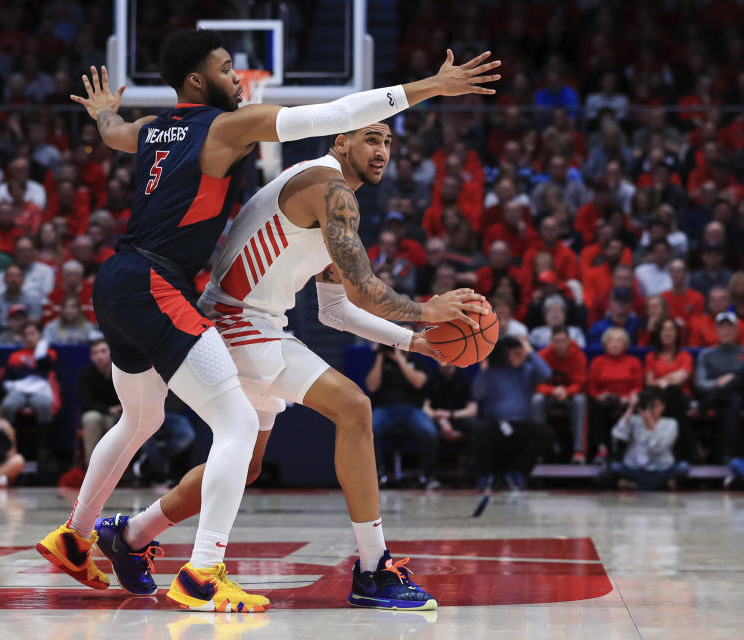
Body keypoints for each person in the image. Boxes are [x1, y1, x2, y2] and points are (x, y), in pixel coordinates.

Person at [38, 30, 499, 614]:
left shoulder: (168, 132)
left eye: (388, 142)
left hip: (168, 293)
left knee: (205, 444)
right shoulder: (319, 183)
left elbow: (334, 309)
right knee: (348, 409)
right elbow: (362, 277)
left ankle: (121, 536)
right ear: (343, 140)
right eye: (371, 137)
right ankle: (367, 569)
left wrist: (415, 341)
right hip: (226, 316)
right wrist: (430, 87)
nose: (382, 150)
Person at [471, 336, 554, 490]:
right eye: (516, 353)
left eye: (521, 353)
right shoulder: (493, 370)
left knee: (544, 432)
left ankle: (519, 474)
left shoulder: (528, 371)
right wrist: (483, 371)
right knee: (479, 429)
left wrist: (529, 352)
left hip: (520, 424)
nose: (520, 356)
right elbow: (477, 394)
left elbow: (546, 374)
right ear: (507, 354)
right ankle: (483, 476)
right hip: (495, 424)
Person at [366, 343, 440, 488]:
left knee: (430, 432)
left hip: (412, 410)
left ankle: (427, 476)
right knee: (368, 432)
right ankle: (377, 475)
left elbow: (419, 383)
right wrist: (380, 355)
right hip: (385, 409)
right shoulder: (382, 361)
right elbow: (372, 386)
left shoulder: (418, 361)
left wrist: (400, 358)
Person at [694, 311, 744, 462]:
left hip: (742, 399)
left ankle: (728, 455)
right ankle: (730, 454)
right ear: (716, 330)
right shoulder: (707, 354)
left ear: (736, 330)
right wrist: (718, 382)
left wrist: (733, 378)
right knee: (733, 398)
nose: (725, 331)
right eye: (722, 327)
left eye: (729, 327)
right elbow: (700, 383)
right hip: (716, 399)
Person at [606, 388, 690, 490]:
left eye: (655, 405)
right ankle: (661, 484)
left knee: (682, 467)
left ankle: (635, 485)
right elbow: (617, 435)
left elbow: (659, 448)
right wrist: (631, 408)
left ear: (663, 406)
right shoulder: (635, 420)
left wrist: (651, 427)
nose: (652, 408)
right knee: (615, 467)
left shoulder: (671, 423)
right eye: (649, 405)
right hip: (636, 468)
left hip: (661, 468)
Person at [587, 327, 643, 463]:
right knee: (595, 407)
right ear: (605, 344)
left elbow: (638, 386)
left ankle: (623, 451)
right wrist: (600, 396)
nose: (615, 344)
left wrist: (630, 396)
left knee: (632, 407)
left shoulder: (633, 361)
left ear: (625, 344)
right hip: (604, 399)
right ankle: (602, 449)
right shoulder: (597, 362)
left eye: (619, 340)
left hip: (626, 399)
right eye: (611, 340)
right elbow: (591, 388)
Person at [533, 327, 588, 463]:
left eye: (563, 341)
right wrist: (553, 391)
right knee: (536, 400)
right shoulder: (542, 355)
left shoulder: (578, 356)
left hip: (569, 396)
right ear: (551, 342)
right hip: (550, 395)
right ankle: (537, 451)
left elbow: (580, 384)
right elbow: (535, 384)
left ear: (569, 341)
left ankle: (579, 452)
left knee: (580, 400)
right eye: (557, 341)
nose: (560, 345)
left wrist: (566, 391)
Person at [644, 317, 696, 462]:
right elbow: (649, 382)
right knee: (666, 396)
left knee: (673, 392)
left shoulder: (684, 356)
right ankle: (687, 454)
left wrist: (660, 380)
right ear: (659, 334)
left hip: (681, 397)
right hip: (657, 398)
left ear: (676, 334)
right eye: (664, 330)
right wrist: (670, 377)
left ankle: (678, 454)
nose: (667, 333)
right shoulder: (650, 357)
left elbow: (681, 379)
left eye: (671, 330)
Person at [0, 321, 56, 427]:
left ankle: (43, 442)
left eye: (33, 334)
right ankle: (9, 438)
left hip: (40, 390)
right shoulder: (15, 355)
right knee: (7, 406)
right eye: (26, 335)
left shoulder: (48, 353)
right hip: (19, 390)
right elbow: (8, 377)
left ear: (39, 334)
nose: (29, 338)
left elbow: (44, 364)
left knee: (44, 405)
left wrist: (41, 345)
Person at [78, 339, 122, 467]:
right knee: (90, 418)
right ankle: (92, 469)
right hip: (99, 413)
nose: (99, 356)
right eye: (95, 353)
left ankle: (115, 470)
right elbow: (84, 403)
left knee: (116, 424)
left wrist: (120, 409)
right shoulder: (86, 374)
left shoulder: (121, 371)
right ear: (91, 357)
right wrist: (108, 409)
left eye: (103, 351)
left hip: (120, 415)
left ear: (111, 352)